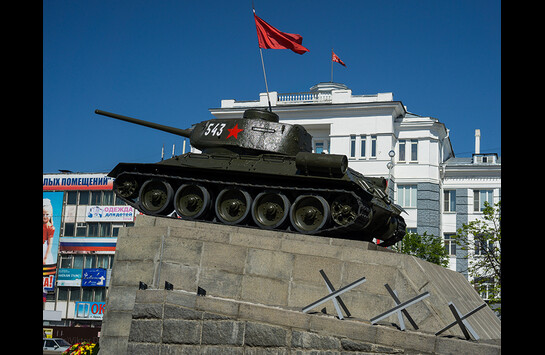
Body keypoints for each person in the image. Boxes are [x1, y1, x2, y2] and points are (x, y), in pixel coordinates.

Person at [43, 199, 55, 265]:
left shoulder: (50, 228)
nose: (45, 217)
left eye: (47, 214)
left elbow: (49, 244)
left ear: (50, 215)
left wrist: (45, 258)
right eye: (43, 214)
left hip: (44, 250)